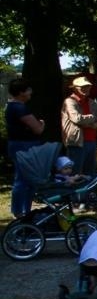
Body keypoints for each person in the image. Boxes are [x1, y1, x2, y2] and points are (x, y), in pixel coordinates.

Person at [7, 79, 47, 218]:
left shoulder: (12, 106)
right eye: (28, 90)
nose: (31, 92)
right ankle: (19, 212)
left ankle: (25, 210)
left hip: (19, 145)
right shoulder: (19, 108)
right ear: (21, 92)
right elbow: (37, 129)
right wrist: (41, 124)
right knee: (23, 179)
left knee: (28, 180)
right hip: (24, 146)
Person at [60, 75, 97, 178]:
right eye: (83, 87)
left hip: (92, 141)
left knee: (90, 172)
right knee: (75, 173)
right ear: (75, 88)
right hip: (76, 142)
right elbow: (77, 118)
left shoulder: (91, 102)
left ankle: (87, 193)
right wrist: (93, 117)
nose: (86, 89)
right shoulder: (69, 101)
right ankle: (75, 194)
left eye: (88, 86)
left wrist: (92, 124)